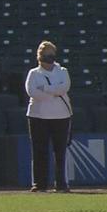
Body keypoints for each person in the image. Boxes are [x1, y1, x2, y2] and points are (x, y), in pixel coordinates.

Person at [25, 40, 73, 193]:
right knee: (39, 151)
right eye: (45, 55)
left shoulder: (62, 71)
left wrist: (45, 88)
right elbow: (32, 92)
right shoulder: (33, 73)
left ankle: (61, 184)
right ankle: (39, 184)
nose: (48, 58)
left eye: (50, 54)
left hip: (61, 116)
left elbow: (64, 88)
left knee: (60, 152)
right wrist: (53, 93)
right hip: (38, 116)